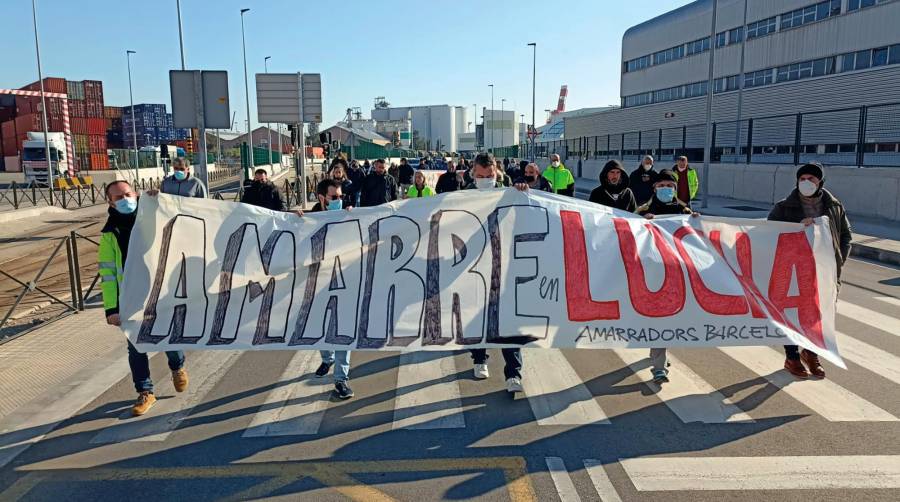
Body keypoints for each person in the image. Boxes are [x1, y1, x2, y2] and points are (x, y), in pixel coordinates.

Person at [101, 181, 188, 416]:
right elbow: (108, 274)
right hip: (131, 298)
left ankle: (177, 365)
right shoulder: (109, 234)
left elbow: (182, 223)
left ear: (136, 193)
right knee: (136, 346)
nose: (124, 199)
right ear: (109, 201)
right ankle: (145, 391)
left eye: (128, 194)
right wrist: (111, 309)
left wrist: (160, 201)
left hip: (161, 291)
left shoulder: (152, 214)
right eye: (118, 197)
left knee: (167, 335)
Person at [768, 162, 851, 380]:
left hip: (823, 272)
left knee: (816, 314)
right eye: (802, 179)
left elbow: (845, 235)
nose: (806, 183)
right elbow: (768, 235)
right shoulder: (784, 207)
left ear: (820, 183)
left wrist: (837, 261)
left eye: (811, 179)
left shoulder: (834, 206)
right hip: (793, 273)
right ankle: (792, 356)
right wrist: (796, 228)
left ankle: (811, 353)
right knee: (791, 314)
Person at [464, 153, 524, 393]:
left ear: (497, 172)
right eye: (480, 176)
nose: (485, 180)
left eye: (489, 176)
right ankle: (479, 358)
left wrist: (522, 191)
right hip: (473, 266)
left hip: (503, 265)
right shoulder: (463, 195)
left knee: (507, 320)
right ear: (473, 173)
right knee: (476, 317)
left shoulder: (509, 192)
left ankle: (514, 373)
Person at [637, 169, 696, 385]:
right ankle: (659, 366)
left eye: (669, 186)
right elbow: (628, 234)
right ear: (654, 188)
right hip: (652, 274)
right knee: (659, 321)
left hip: (678, 275)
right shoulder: (643, 210)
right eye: (661, 186)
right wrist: (642, 221)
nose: (665, 189)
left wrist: (696, 222)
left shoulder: (684, 210)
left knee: (670, 320)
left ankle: (658, 355)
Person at [308, 179, 354, 399]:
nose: (339, 201)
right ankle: (327, 359)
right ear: (321, 198)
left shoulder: (347, 216)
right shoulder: (308, 219)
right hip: (316, 283)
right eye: (334, 197)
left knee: (343, 330)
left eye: (341, 196)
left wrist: (353, 216)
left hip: (343, 282)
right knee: (318, 327)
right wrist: (295, 221)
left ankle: (341, 379)